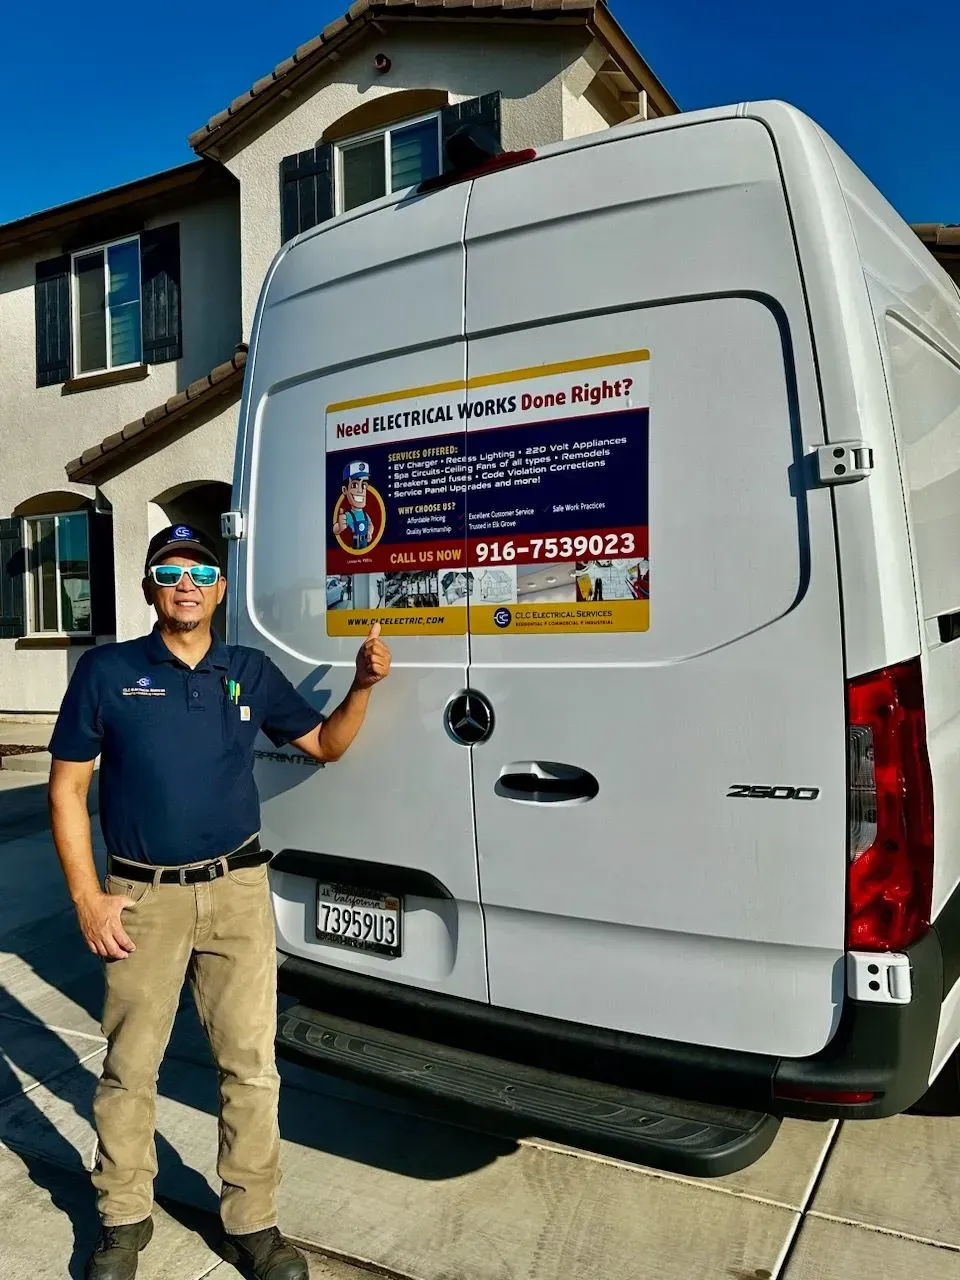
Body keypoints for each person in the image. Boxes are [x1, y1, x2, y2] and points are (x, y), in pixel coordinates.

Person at [47, 524, 391, 1280]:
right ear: (148, 588)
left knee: (250, 1067)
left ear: (220, 588)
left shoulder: (249, 671)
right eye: (169, 571)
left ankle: (253, 1223)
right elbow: (68, 788)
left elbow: (325, 746)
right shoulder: (107, 673)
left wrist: (363, 686)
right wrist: (88, 898)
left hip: (237, 892)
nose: (186, 584)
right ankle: (122, 1218)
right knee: (131, 1067)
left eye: (200, 572)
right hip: (141, 897)